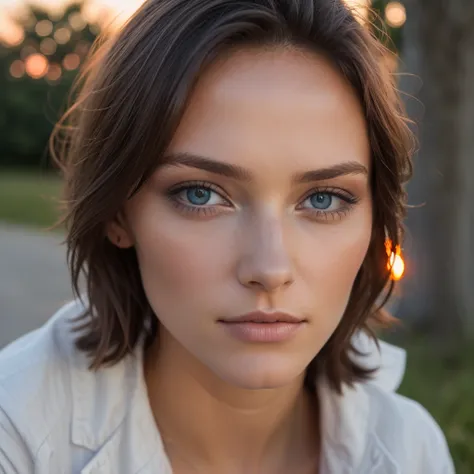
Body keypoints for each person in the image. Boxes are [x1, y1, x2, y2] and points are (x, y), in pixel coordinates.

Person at [0, 0, 455, 473]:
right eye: (200, 194)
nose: (269, 269)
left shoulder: (410, 450)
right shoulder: (18, 440)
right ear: (119, 212)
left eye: (323, 199)